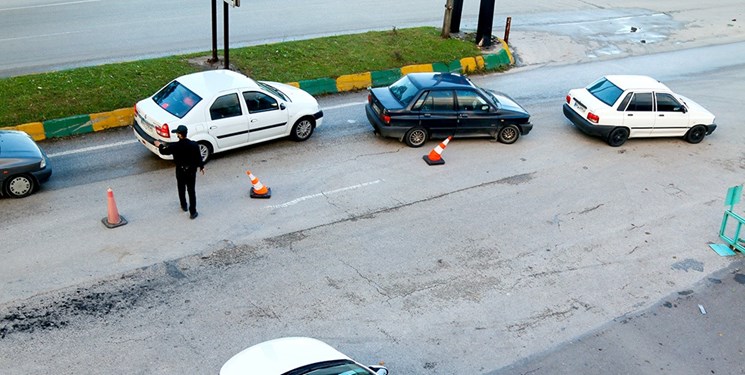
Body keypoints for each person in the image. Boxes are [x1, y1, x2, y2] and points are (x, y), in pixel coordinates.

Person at [154, 125, 205, 219]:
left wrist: (159, 145)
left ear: (179, 135)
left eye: (177, 133)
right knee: (191, 191)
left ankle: (184, 205)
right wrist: (201, 166)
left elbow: (164, 151)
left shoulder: (175, 146)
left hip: (180, 171)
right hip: (191, 171)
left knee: (181, 188)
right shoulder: (194, 145)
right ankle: (193, 212)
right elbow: (198, 157)